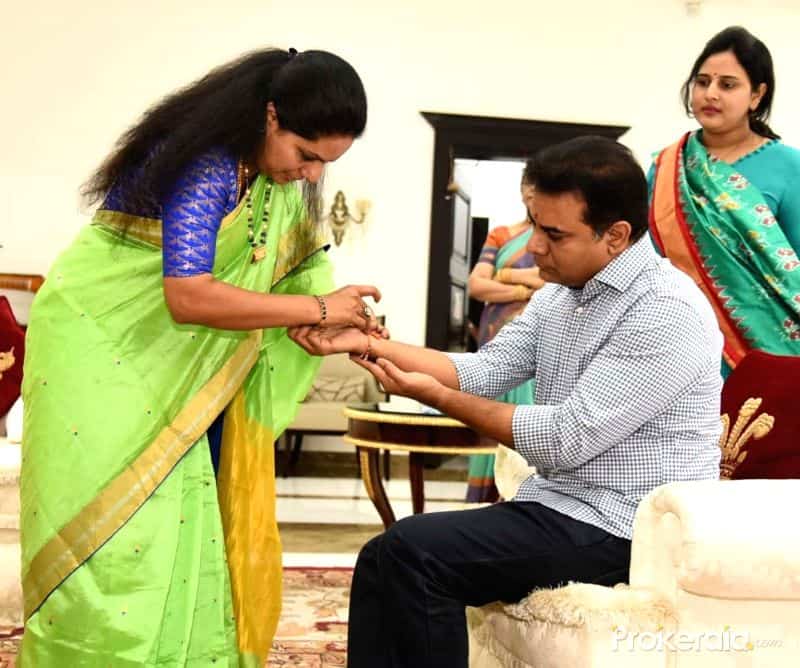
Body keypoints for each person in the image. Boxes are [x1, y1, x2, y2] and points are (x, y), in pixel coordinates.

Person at [289, 136, 725, 668]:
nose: (534, 246)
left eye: (554, 234)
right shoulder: (560, 296)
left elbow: (565, 439)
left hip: (623, 525)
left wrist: (437, 397)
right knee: (387, 555)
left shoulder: (664, 310)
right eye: (534, 224)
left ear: (615, 235)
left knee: (413, 554)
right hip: (562, 505)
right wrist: (366, 343)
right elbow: (486, 370)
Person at [20, 48, 380, 666]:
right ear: (271, 116)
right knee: (119, 526)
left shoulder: (269, 181)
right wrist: (318, 309)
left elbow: (293, 282)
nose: (312, 174)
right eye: (306, 154)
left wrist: (328, 323)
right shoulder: (207, 163)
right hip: (100, 341)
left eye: (327, 162)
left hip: (185, 363)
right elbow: (188, 295)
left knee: (185, 514)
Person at [649, 26, 800, 377]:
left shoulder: (790, 167)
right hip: (676, 346)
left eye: (728, 85)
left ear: (757, 95)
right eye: (702, 82)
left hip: (768, 354)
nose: (710, 93)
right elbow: (647, 261)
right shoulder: (666, 167)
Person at [464, 163, 543, 502]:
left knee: (530, 417)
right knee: (491, 414)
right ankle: (485, 501)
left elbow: (552, 282)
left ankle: (525, 498)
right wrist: (524, 287)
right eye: (529, 189)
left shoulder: (558, 238)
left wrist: (505, 276)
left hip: (540, 340)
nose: (532, 196)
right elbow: (476, 285)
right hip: (497, 337)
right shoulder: (502, 234)